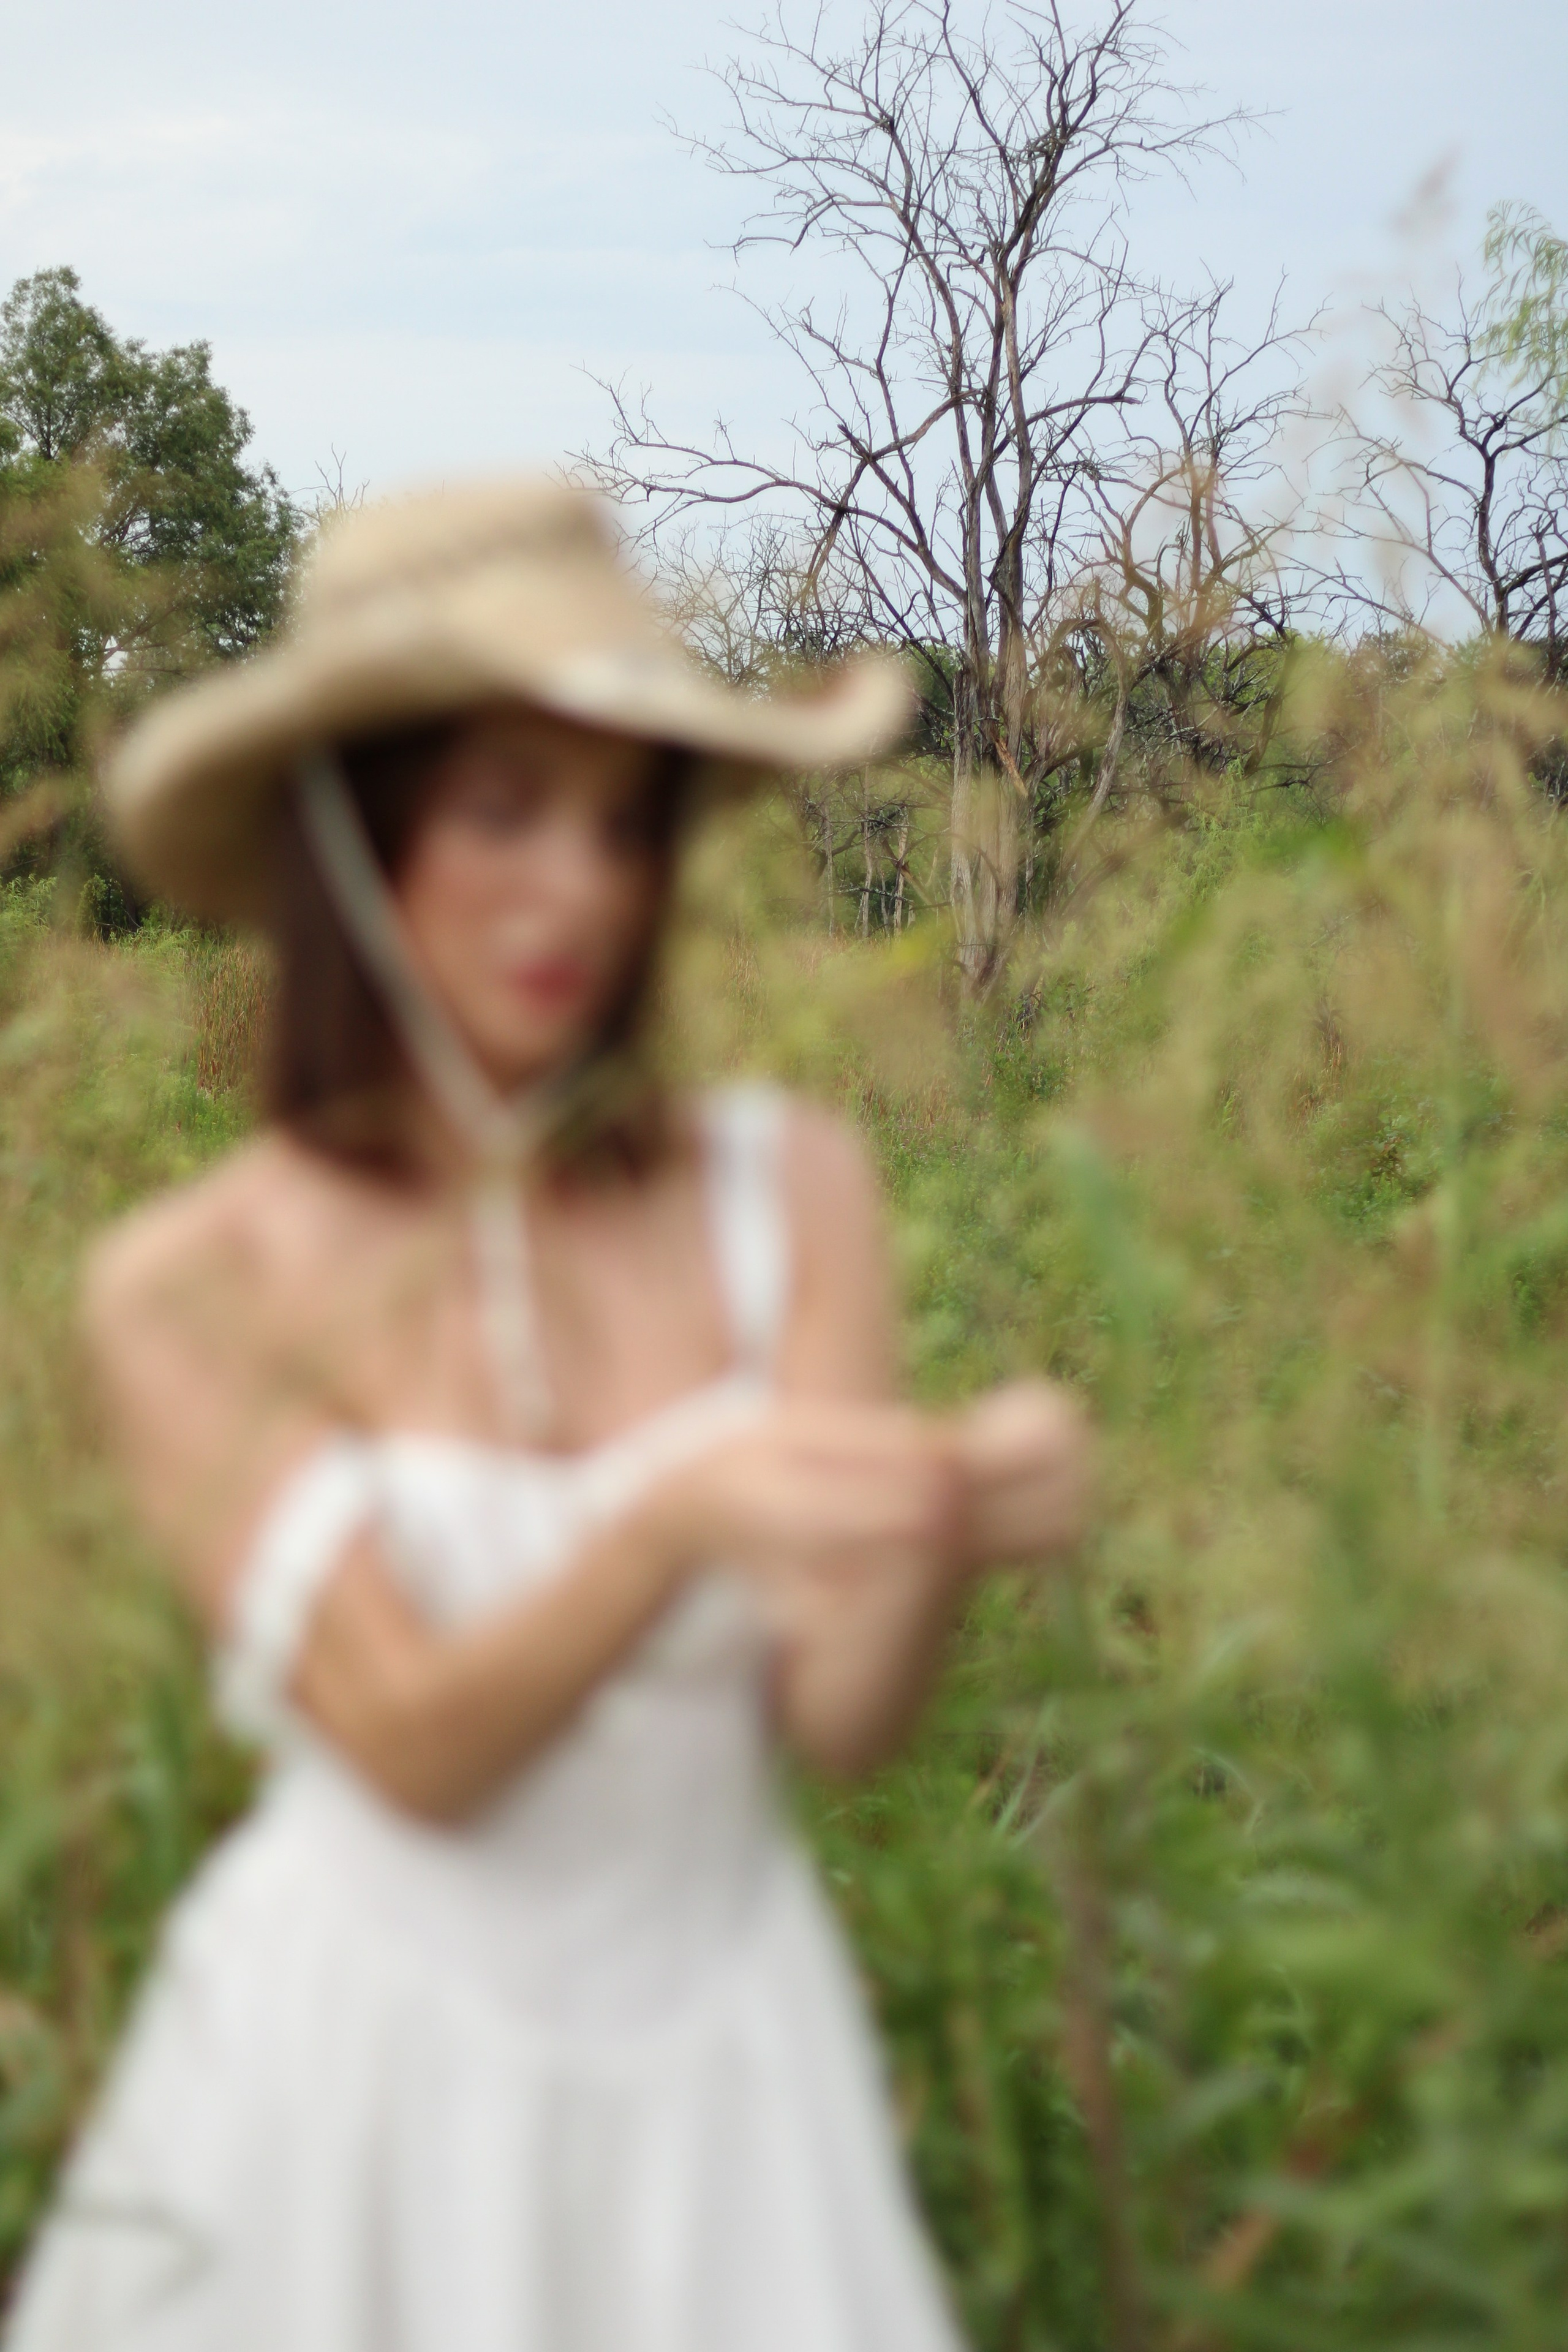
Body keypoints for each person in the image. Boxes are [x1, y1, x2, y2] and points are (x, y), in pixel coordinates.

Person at [4, 479, 1089, 2352]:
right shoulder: (195, 1281)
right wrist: (674, 1520)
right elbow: (416, 1746)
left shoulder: (789, 1189)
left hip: (726, 2063)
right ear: (359, 827)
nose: (579, 887)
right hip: (352, 2084)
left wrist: (948, 1529)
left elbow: (838, 1719)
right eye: (504, 806)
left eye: (622, 822)